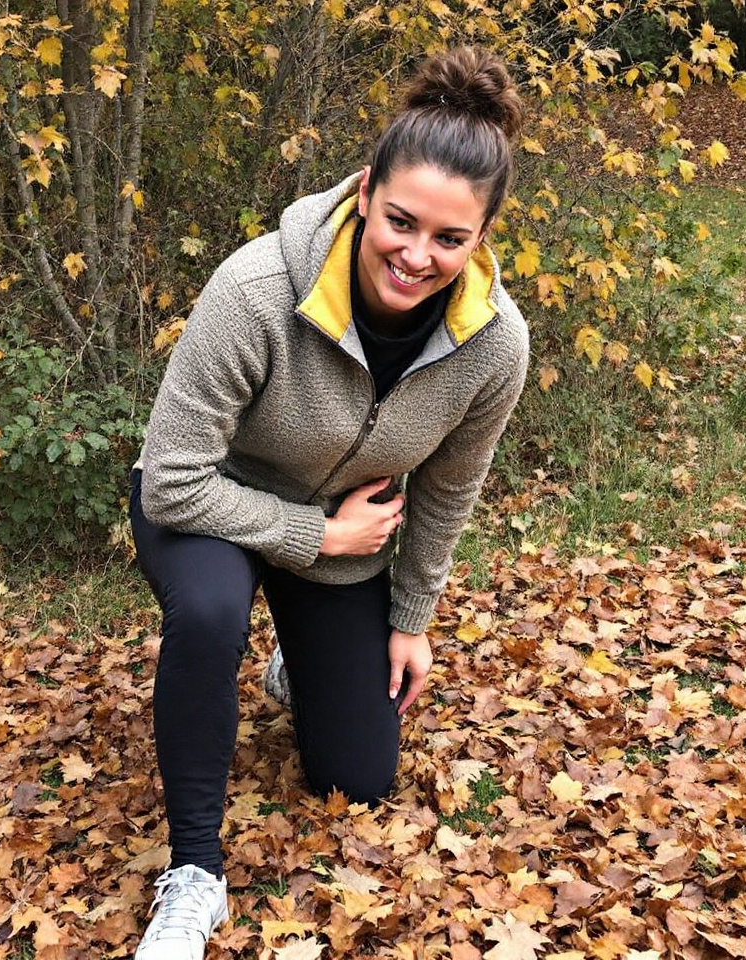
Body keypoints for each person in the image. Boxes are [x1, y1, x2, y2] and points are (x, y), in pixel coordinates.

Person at [128, 46, 529, 960]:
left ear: (481, 238)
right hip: (206, 506)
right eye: (401, 222)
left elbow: (450, 488)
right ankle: (193, 878)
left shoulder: (495, 345)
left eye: (449, 239)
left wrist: (412, 618)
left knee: (358, 775)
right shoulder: (257, 290)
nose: (416, 256)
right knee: (212, 613)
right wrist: (316, 533)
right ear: (364, 194)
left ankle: (299, 668)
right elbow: (173, 479)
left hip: (344, 539)